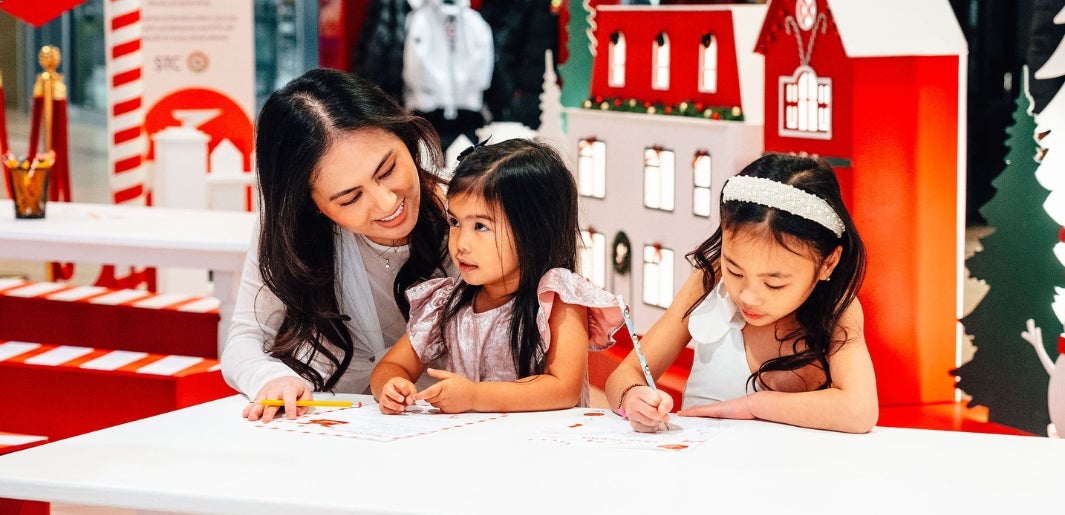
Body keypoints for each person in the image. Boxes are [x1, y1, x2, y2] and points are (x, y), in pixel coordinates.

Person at [221, 68, 454, 422]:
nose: (386, 202)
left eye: (388, 170)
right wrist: (272, 378)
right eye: (350, 198)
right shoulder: (292, 229)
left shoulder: (466, 217)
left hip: (440, 424)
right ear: (311, 204)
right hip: (324, 423)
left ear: (405, 137)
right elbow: (245, 339)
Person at [605, 153, 878, 434]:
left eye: (774, 284)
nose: (747, 296)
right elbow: (623, 377)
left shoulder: (837, 308)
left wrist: (753, 406)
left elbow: (859, 410)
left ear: (828, 263)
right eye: (735, 271)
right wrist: (633, 396)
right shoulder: (709, 282)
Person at [370, 138, 624, 414]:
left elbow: (563, 388)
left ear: (534, 231)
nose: (460, 243)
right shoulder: (447, 302)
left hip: (540, 449)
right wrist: (392, 385)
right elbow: (393, 365)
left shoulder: (556, 297)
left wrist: (476, 396)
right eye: (455, 222)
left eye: (480, 226)